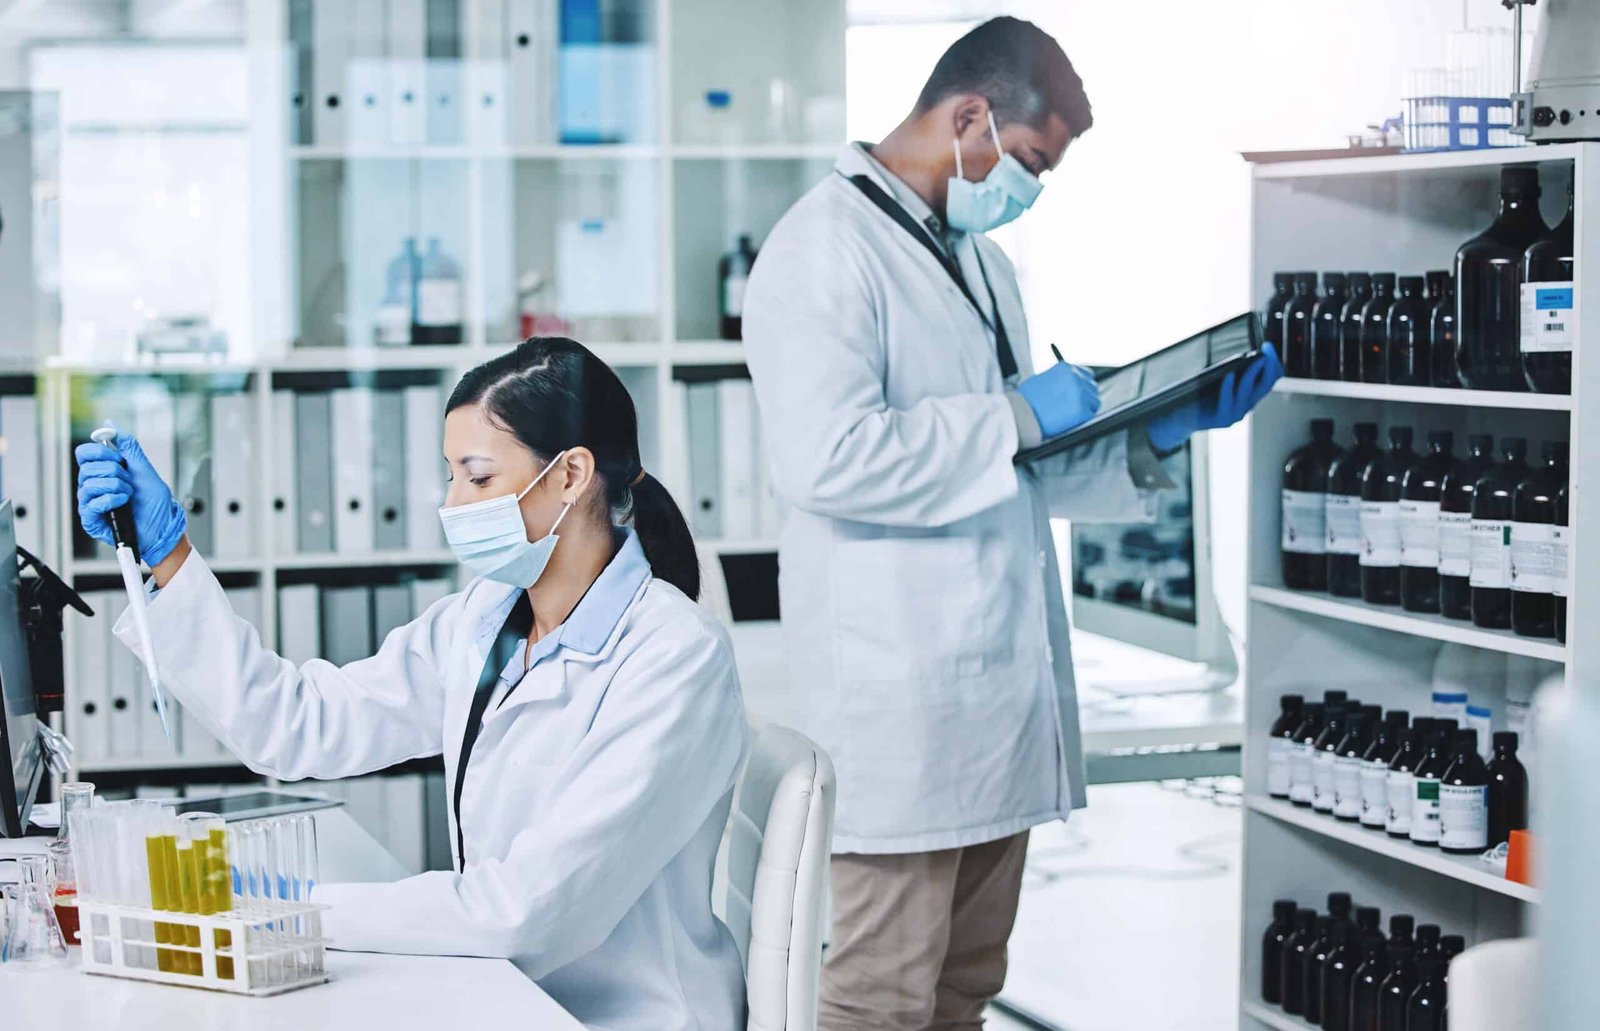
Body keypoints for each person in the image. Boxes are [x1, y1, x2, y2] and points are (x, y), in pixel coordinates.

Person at [741, 17, 1280, 1031]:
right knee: (879, 991)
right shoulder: (821, 248)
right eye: (1029, 161)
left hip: (989, 702)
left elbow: (1010, 468)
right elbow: (830, 458)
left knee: (965, 982)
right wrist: (1022, 410)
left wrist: (1156, 424)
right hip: (898, 708)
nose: (1030, 187)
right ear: (969, 115)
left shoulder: (976, 259)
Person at [73, 338, 748, 1031]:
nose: (453, 502)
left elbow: (527, 912)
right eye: (450, 475)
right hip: (506, 996)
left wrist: (295, 908)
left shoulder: (674, 659)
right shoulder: (484, 621)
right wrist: (167, 556)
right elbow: (300, 724)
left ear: (571, 474)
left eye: (477, 477)